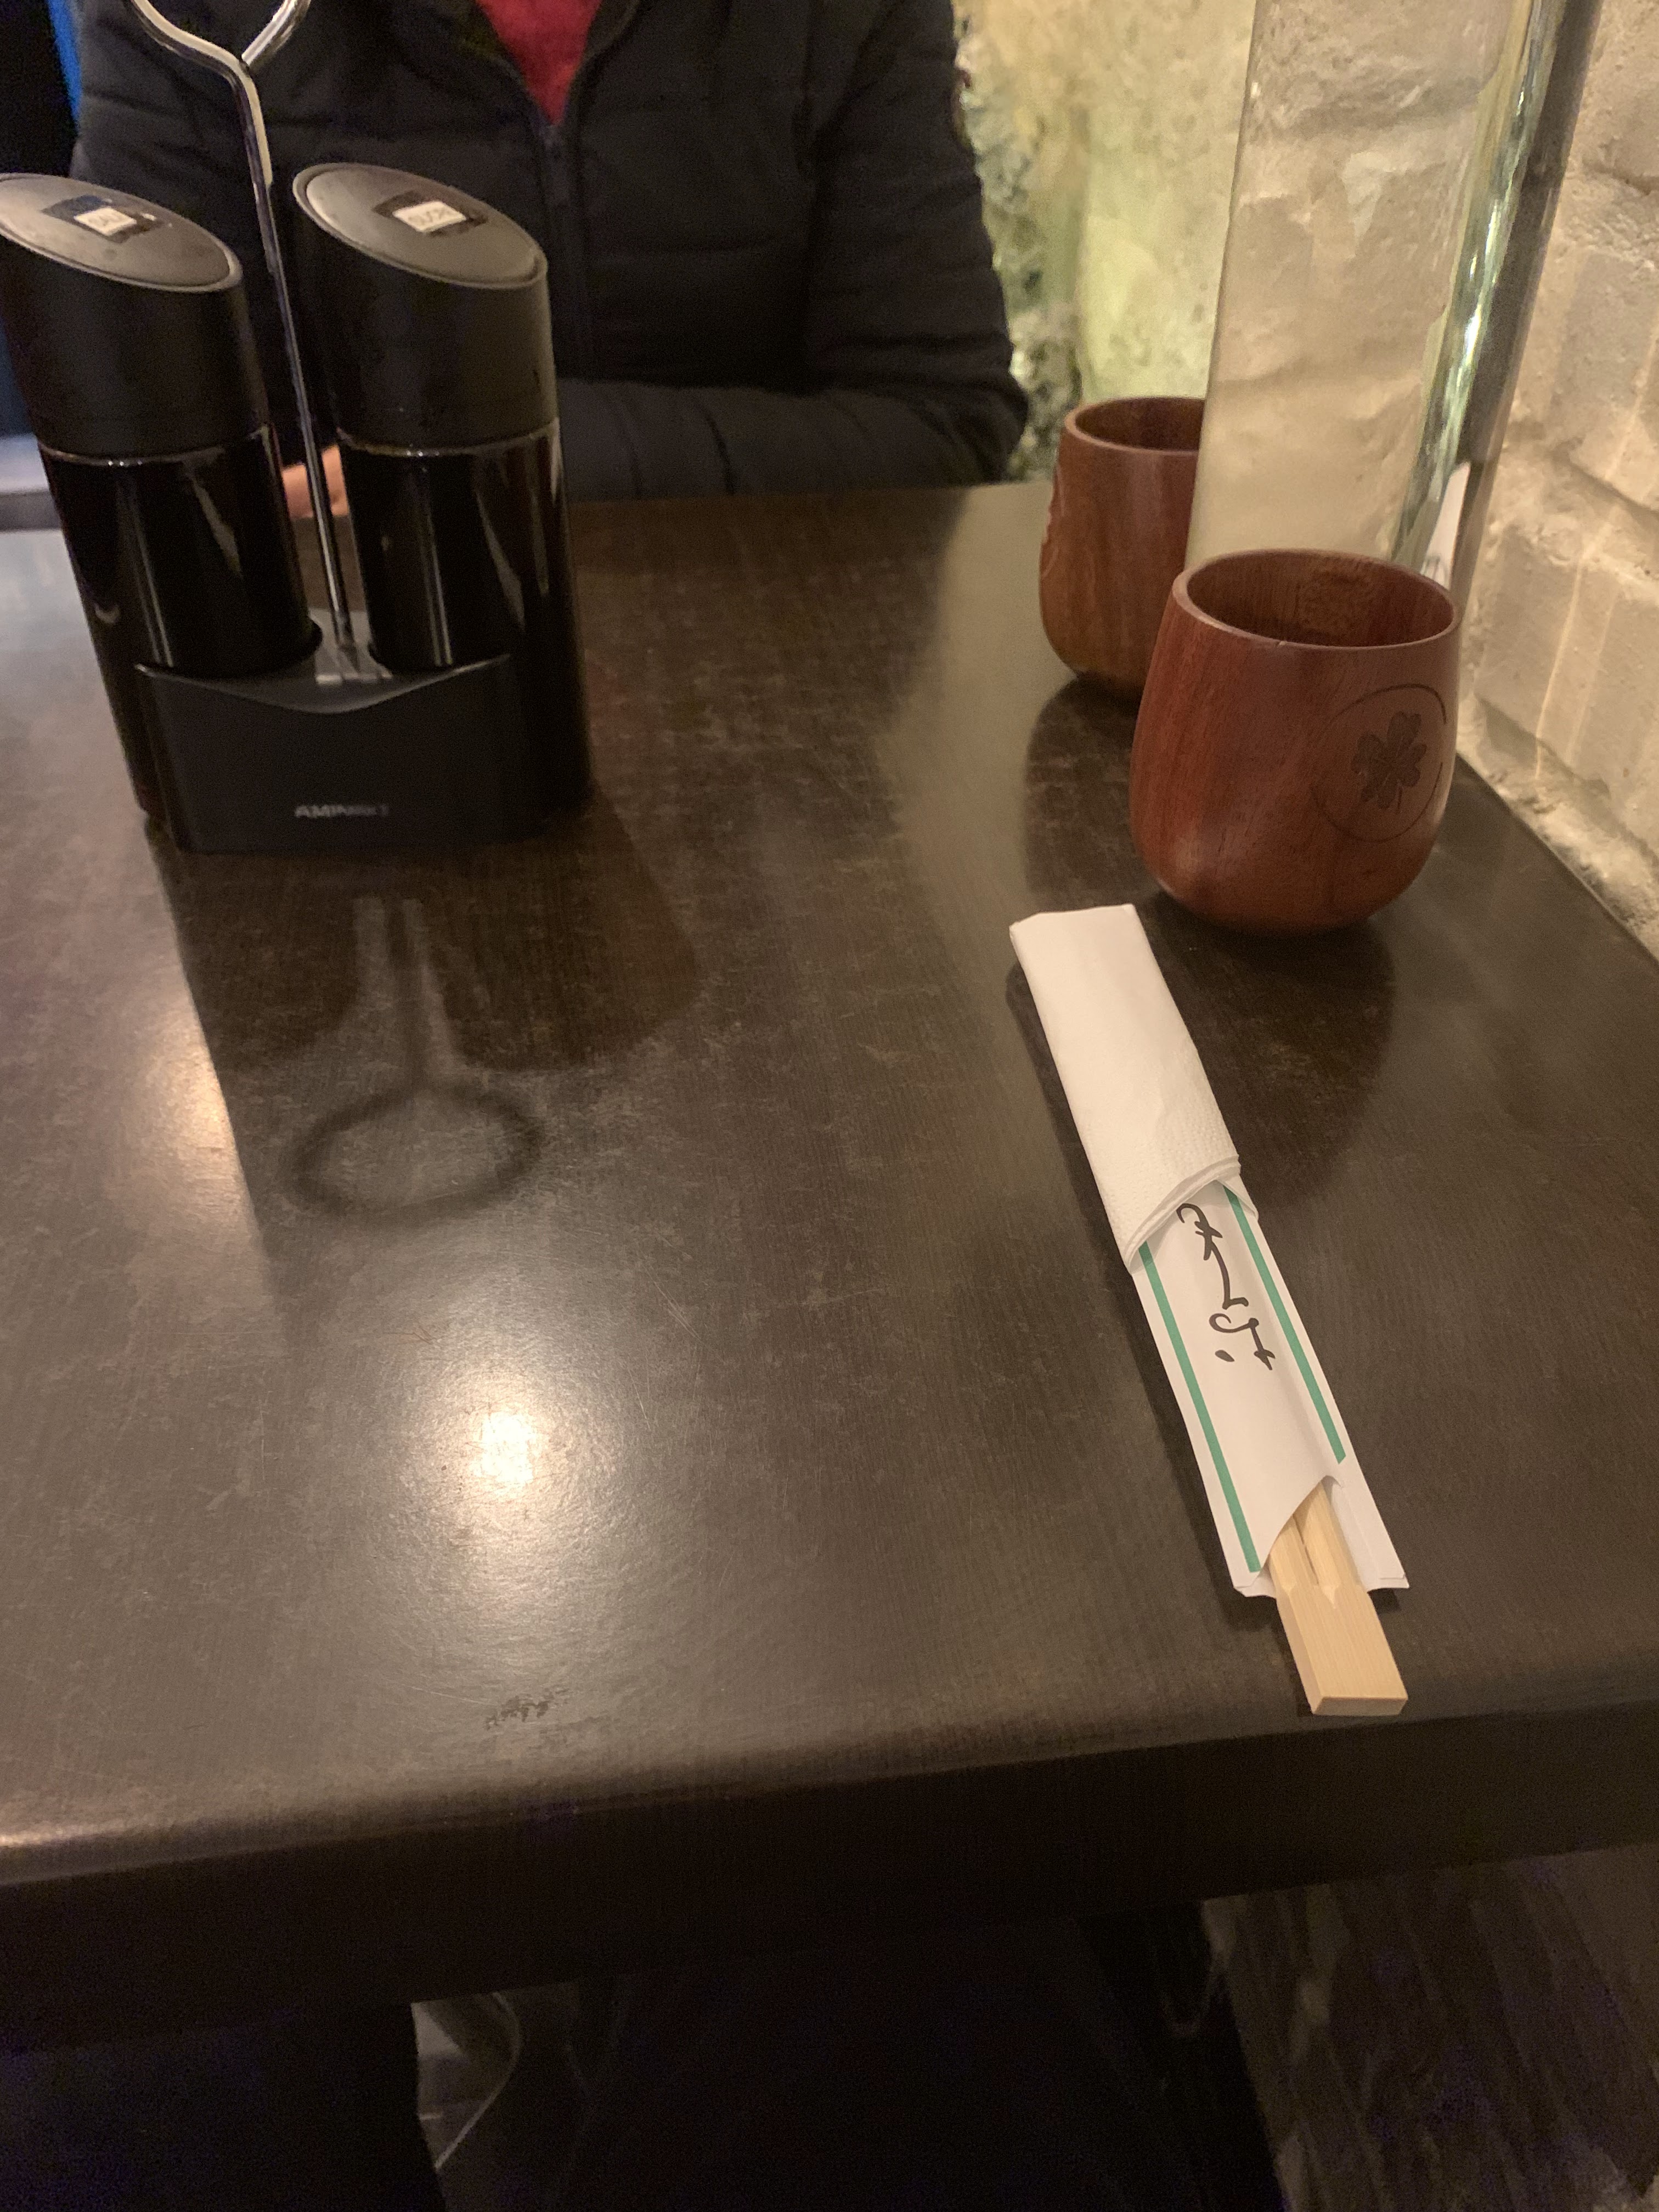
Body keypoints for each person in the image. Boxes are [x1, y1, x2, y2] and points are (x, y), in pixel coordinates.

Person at [67, 0, 1026, 506]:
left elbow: (940, 426)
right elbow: (167, 471)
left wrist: (530, 455)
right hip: (374, 665)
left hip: (784, 647)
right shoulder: (179, 17)